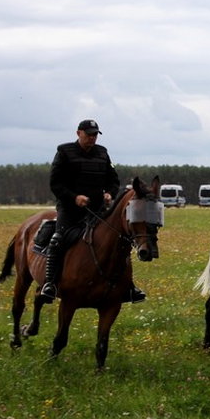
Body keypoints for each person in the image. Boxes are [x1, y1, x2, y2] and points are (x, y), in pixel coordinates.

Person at [41, 119, 145, 303]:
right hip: (70, 209)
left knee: (120, 240)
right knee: (58, 239)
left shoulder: (102, 153)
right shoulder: (64, 152)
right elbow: (55, 183)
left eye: (95, 134)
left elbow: (113, 180)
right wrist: (74, 197)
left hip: (98, 209)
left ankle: (128, 286)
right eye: (88, 134)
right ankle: (50, 284)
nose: (92, 138)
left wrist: (110, 194)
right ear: (78, 133)